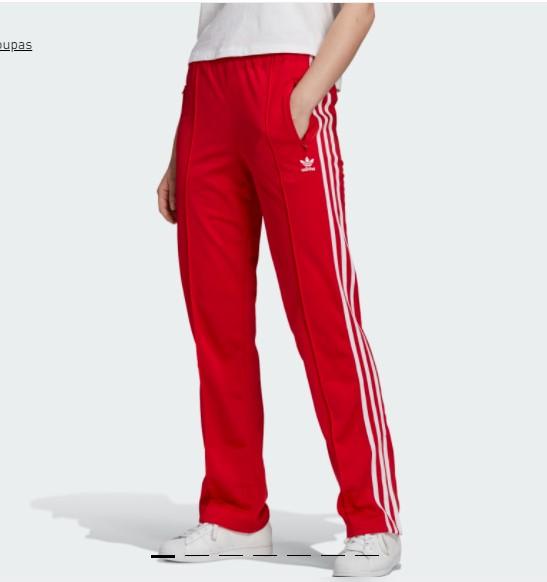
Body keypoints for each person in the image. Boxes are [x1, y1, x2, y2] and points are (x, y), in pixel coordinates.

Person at [156, 2, 402, 577]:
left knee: (325, 317)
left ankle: (372, 520)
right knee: (217, 326)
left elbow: (359, 9)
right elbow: (218, 28)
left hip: (289, 82)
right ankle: (236, 515)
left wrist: (304, 97)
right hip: (207, 95)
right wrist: (178, 147)